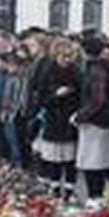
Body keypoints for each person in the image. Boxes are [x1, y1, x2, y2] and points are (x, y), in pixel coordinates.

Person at [32, 38, 82, 198]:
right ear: (56, 55)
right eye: (63, 56)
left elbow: (82, 94)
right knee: (53, 157)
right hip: (53, 119)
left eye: (69, 56)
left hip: (70, 120)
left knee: (70, 158)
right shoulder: (48, 71)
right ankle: (54, 187)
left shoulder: (76, 71)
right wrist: (55, 95)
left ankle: (69, 188)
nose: (66, 60)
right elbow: (41, 97)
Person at [73, 37, 109, 199]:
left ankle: (95, 196)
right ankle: (95, 196)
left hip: (95, 121)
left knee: (92, 162)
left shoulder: (96, 70)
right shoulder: (99, 68)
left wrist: (80, 116)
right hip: (98, 120)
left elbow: (98, 100)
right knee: (95, 162)